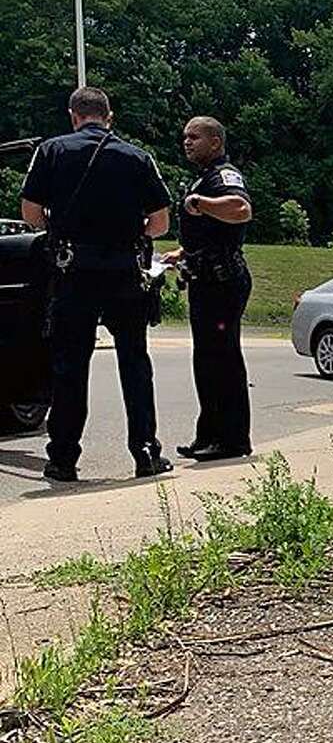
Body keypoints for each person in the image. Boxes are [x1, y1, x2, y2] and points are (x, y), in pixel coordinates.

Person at [20, 86, 172, 483]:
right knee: (134, 362)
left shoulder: (52, 151)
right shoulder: (138, 157)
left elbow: (31, 213)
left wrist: (61, 226)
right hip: (124, 270)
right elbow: (160, 223)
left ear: (74, 116)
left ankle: (63, 458)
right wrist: (131, 232)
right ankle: (145, 451)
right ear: (110, 117)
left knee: (70, 366)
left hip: (74, 270)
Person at [164, 116, 253, 461]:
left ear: (215, 142)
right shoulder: (204, 177)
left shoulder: (224, 176)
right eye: (185, 136)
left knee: (223, 359)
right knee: (206, 360)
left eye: (194, 137)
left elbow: (241, 210)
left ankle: (232, 440)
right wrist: (182, 253)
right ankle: (209, 435)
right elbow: (213, 234)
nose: (187, 142)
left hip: (223, 281)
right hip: (206, 279)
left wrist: (200, 203)